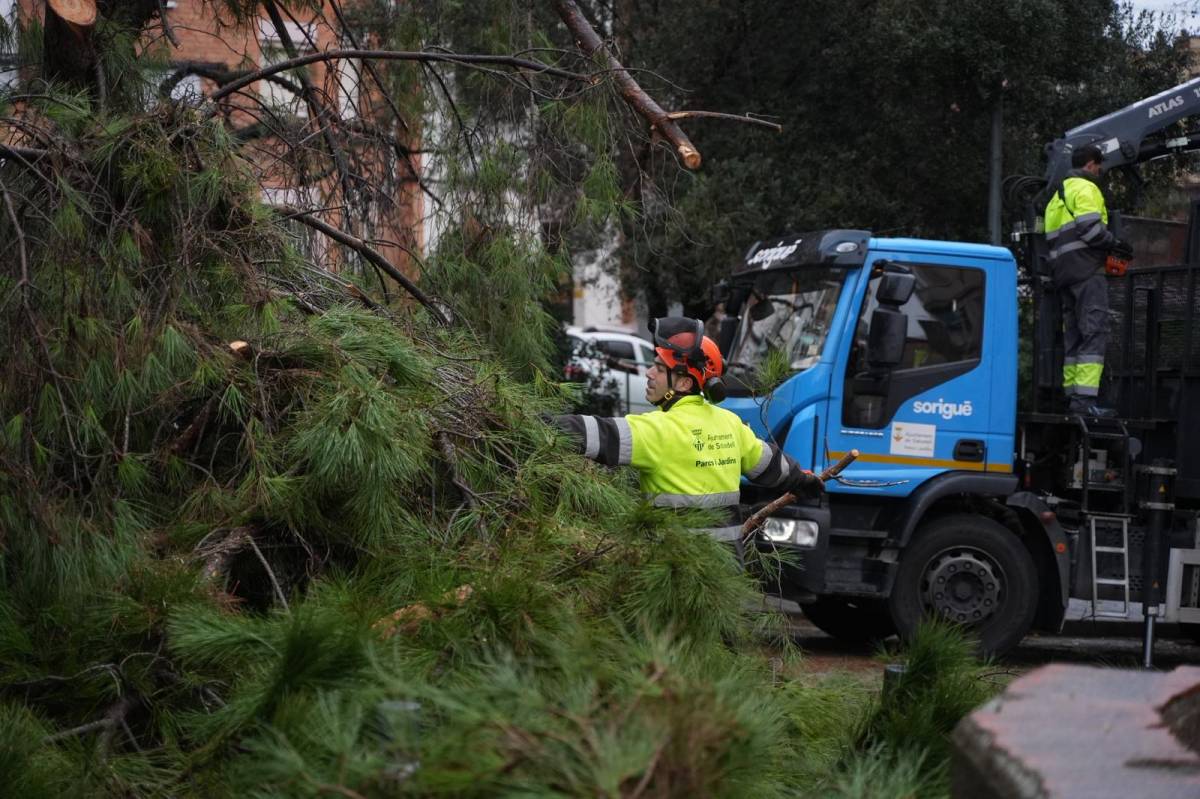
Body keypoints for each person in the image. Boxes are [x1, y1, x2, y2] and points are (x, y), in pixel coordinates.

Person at [552, 317, 823, 543]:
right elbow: (773, 466)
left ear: (683, 384)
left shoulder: (659, 430)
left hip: (673, 575)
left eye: (659, 369)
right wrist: (804, 480)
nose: (648, 374)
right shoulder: (730, 424)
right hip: (725, 576)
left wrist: (535, 420)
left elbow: (597, 433)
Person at [1043, 144, 1133, 418]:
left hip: (1064, 276)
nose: (1101, 170)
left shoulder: (1056, 198)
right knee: (1094, 332)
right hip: (1086, 270)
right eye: (1100, 165)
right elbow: (1091, 230)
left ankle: (1073, 398)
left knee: (1074, 335)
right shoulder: (1086, 188)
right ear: (1092, 164)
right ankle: (1085, 403)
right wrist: (1115, 243)